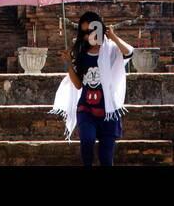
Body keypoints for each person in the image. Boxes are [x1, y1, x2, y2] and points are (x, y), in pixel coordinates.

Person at [50, 10, 135, 166]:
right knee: (87, 142)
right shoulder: (81, 54)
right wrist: (69, 63)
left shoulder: (111, 51)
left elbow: (129, 52)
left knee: (106, 158)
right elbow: (77, 85)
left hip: (108, 111)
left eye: (91, 30)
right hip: (86, 109)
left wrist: (114, 37)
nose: (87, 35)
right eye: (83, 32)